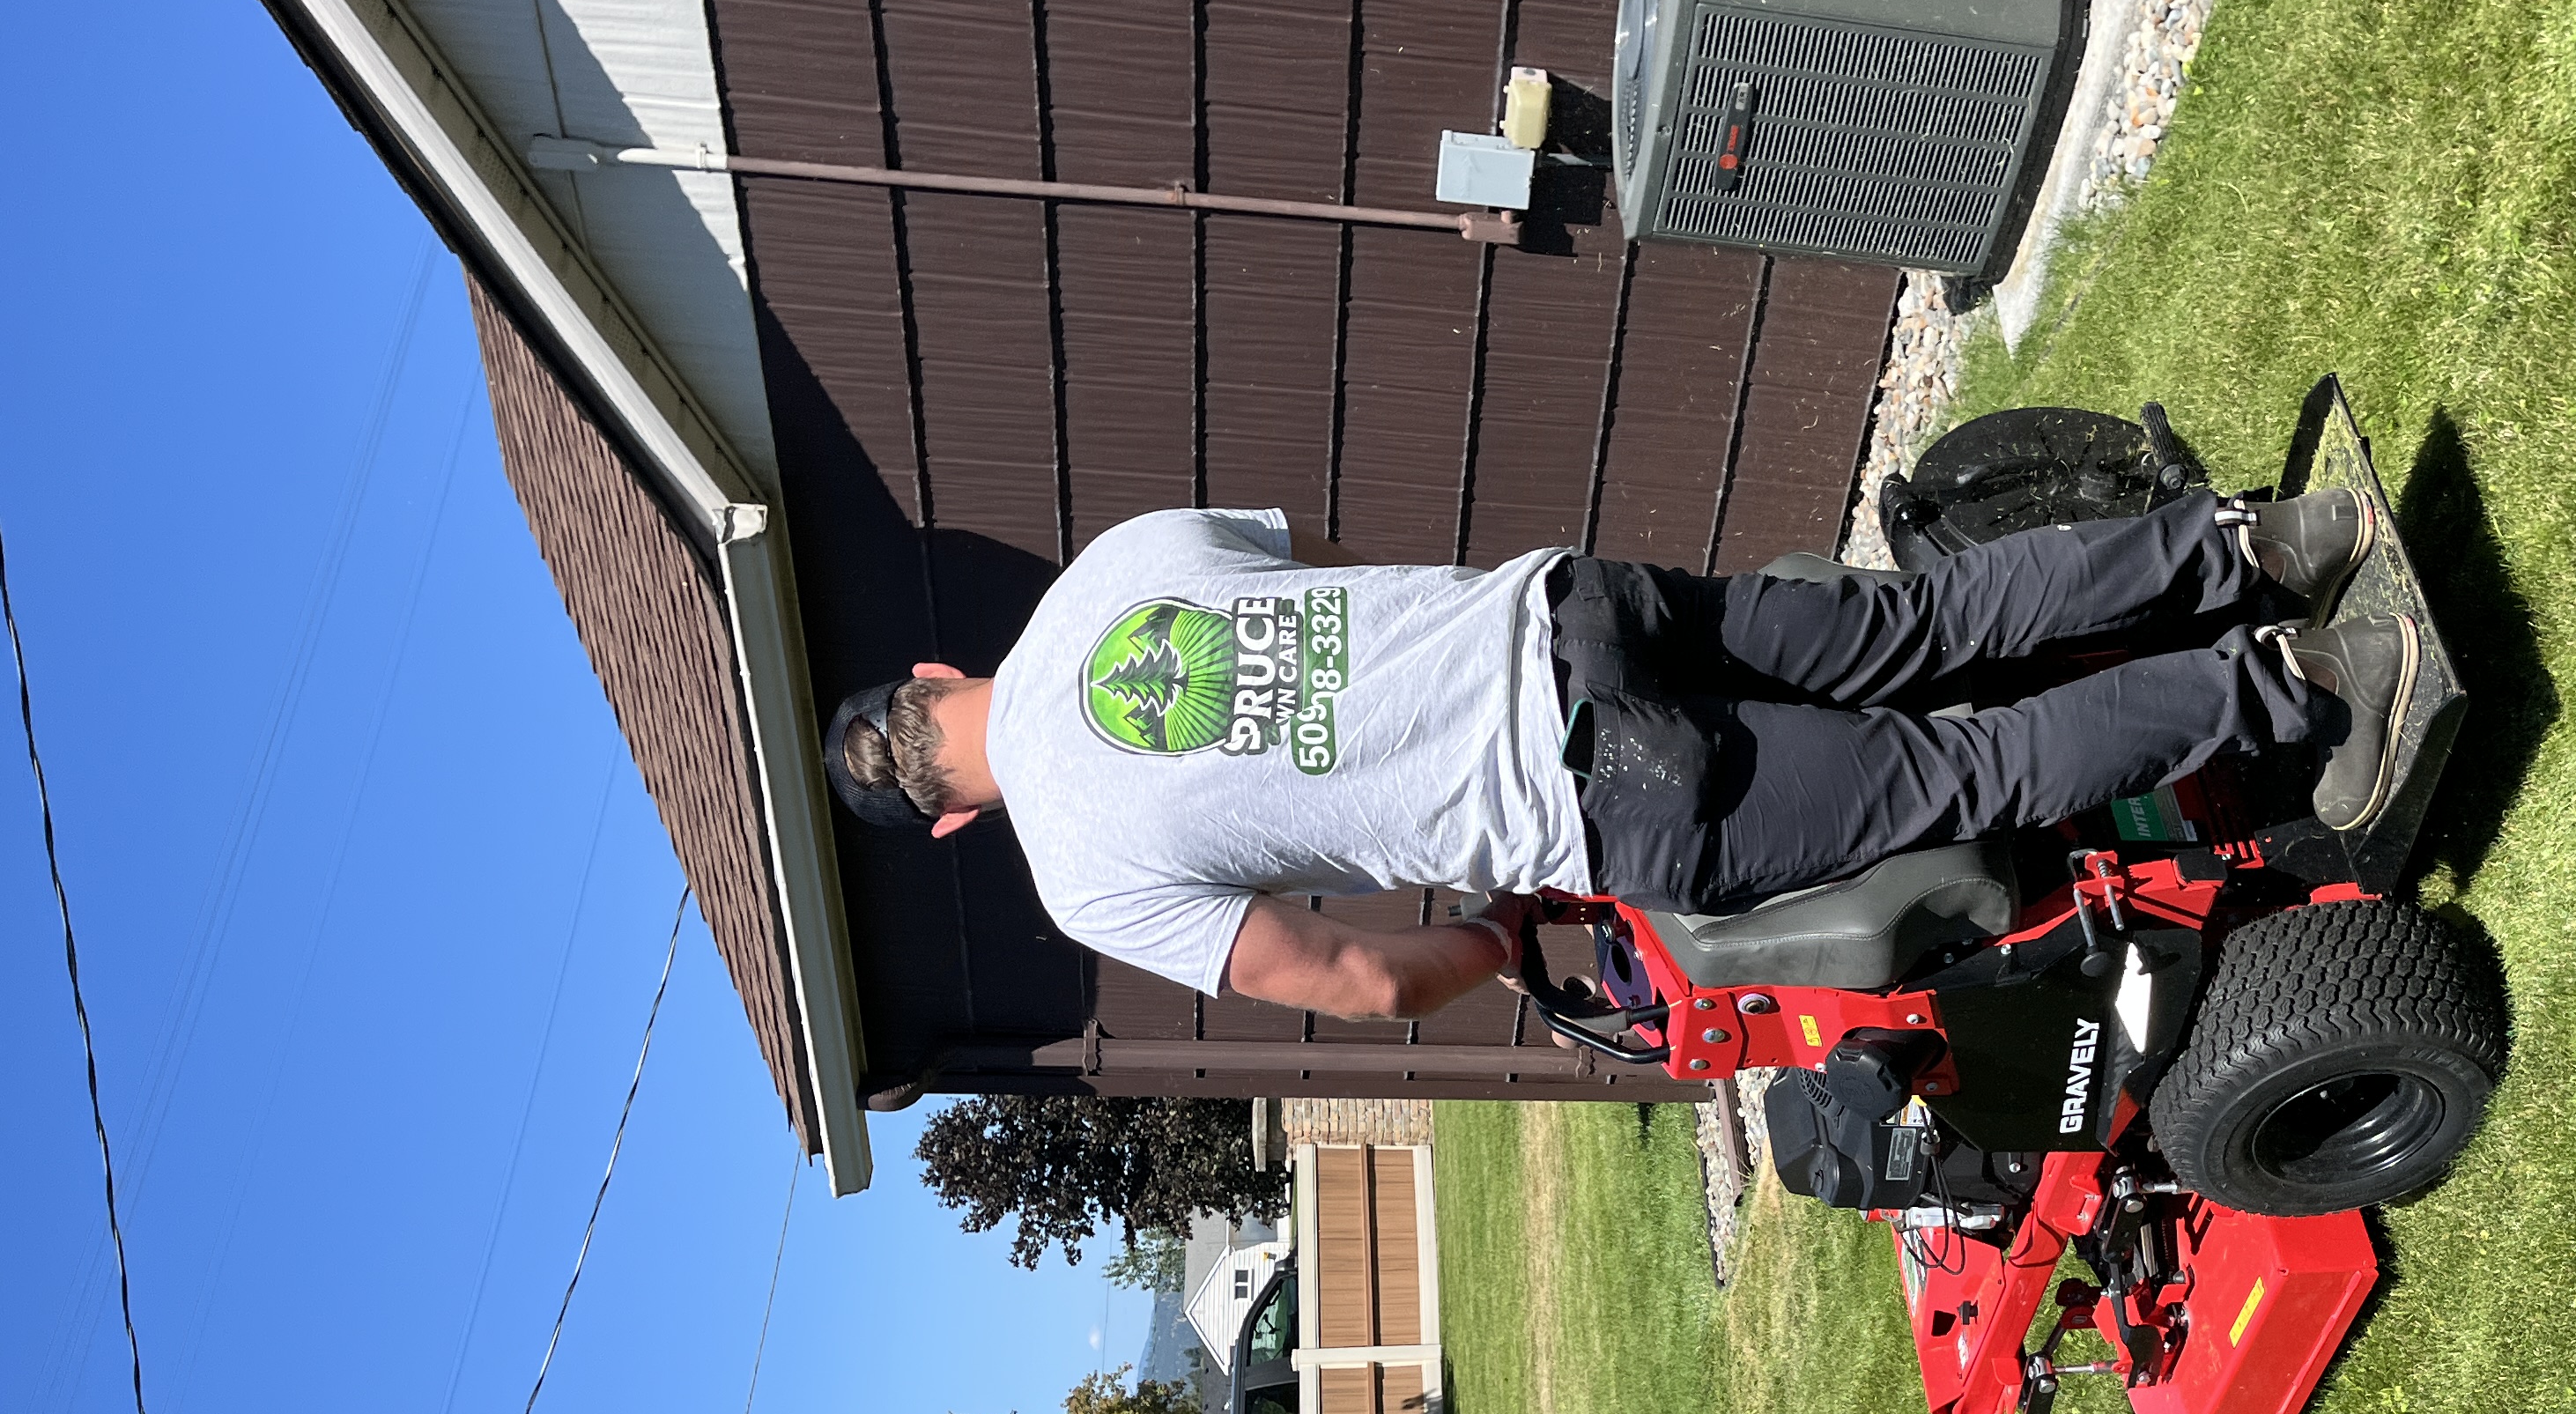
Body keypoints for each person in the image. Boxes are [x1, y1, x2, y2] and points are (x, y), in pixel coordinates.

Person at [818, 488, 2418, 1021]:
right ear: (938, 675)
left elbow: (1357, 982)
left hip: (1589, 802)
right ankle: (2252, 546)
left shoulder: (1086, 877)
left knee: (1964, 770)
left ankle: (2288, 684)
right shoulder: (1103, 574)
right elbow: (1306, 579)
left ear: (950, 829)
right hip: (1578, 618)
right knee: (1924, 625)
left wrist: (1493, 940)